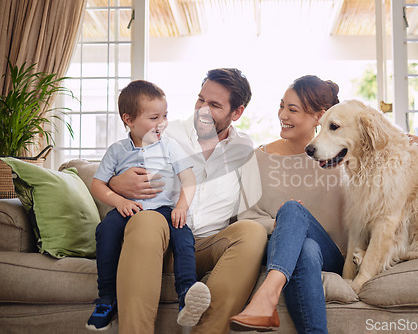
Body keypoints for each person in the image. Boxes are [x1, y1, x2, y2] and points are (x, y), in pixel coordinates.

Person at [107, 69, 268, 334]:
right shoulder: (165, 133)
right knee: (147, 219)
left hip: (206, 247)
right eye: (200, 99)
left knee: (253, 232)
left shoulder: (244, 149)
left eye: (214, 105)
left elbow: (251, 212)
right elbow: (117, 166)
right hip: (160, 242)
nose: (202, 110)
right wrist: (116, 182)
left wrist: (283, 221)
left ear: (236, 113)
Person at [86, 80, 208, 331]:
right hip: (127, 209)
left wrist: (181, 207)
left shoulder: (170, 146)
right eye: (154, 117)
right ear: (128, 120)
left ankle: (186, 294)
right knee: (105, 231)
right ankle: (106, 299)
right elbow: (97, 184)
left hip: (164, 211)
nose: (161, 123)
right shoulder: (117, 151)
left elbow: (189, 179)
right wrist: (119, 201)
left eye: (165, 115)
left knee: (183, 236)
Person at [230, 75, 345, 333]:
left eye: (292, 110)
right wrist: (286, 225)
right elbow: (246, 217)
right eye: (282, 106)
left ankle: (265, 298)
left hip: (331, 253)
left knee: (293, 211)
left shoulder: (341, 158)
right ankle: (269, 297)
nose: (282, 114)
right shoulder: (256, 159)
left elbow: (382, 158)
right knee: (302, 240)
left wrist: (409, 143)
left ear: (320, 117)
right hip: (278, 250)